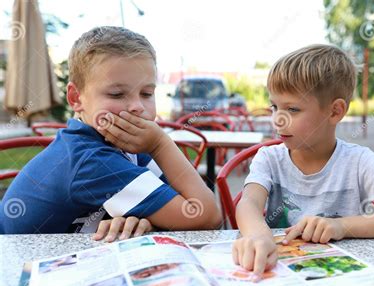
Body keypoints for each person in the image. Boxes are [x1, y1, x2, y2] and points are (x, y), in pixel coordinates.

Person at [232, 44, 374, 279]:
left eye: (292, 109)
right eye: (274, 106)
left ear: (335, 112)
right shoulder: (269, 158)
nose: (277, 119)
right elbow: (248, 203)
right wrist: (258, 234)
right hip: (278, 276)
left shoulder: (359, 162)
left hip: (341, 277)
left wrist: (342, 226)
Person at [0, 26, 222, 240]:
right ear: (76, 98)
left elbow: (184, 204)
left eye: (146, 93)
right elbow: (207, 216)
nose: (137, 106)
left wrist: (149, 218)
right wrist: (160, 144)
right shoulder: (90, 159)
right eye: (117, 94)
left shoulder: (127, 145)